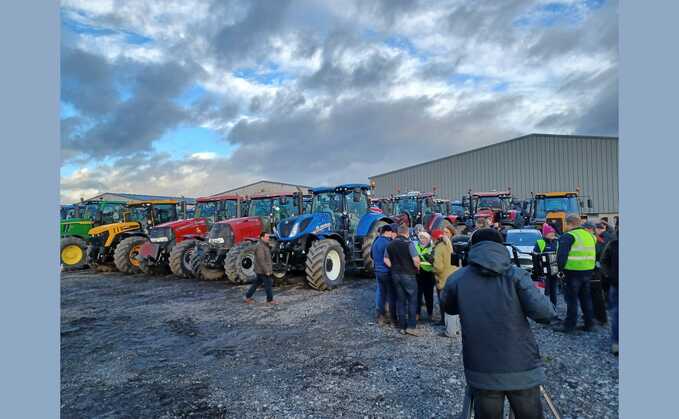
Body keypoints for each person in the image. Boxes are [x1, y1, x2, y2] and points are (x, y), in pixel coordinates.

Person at [441, 228, 556, 418]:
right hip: (522, 367)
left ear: (472, 247)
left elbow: (449, 308)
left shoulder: (457, 279)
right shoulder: (517, 275)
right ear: (502, 247)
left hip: (481, 369)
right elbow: (545, 313)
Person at [557, 215, 596, 333]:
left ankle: (569, 326)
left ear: (569, 224)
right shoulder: (590, 236)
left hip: (572, 272)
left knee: (572, 300)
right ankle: (589, 324)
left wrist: (560, 270)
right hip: (588, 271)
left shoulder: (568, 236)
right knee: (586, 299)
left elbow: (561, 256)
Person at [384, 224, 421, 336]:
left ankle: (402, 327)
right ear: (407, 233)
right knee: (412, 300)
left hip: (395, 275)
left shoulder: (390, 244)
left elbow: (385, 260)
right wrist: (417, 268)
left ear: (398, 232)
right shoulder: (409, 244)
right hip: (408, 274)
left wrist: (393, 268)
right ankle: (411, 327)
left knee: (400, 301)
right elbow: (416, 260)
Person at [371, 224, 397, 325]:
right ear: (388, 232)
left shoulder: (376, 241)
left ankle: (380, 316)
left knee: (380, 292)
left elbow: (372, 255)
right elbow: (390, 258)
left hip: (378, 271)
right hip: (387, 271)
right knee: (391, 294)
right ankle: (391, 317)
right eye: (391, 232)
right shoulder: (388, 243)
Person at [432, 227, 457, 326]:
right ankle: (453, 324)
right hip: (453, 276)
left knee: (443, 302)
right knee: (452, 302)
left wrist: (432, 268)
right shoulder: (450, 244)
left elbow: (438, 267)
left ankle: (445, 323)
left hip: (443, 279)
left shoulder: (439, 247)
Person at [244, 232, 277, 305]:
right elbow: (261, 260)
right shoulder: (260, 246)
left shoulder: (265, 245)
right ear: (262, 238)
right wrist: (267, 271)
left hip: (260, 270)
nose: (268, 238)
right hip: (263, 270)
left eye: (268, 237)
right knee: (268, 284)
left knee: (256, 283)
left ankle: (247, 297)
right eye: (267, 237)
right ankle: (270, 300)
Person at [533, 223, 559, 309]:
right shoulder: (540, 243)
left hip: (554, 272)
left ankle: (553, 310)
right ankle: (543, 311)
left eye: (553, 232)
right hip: (543, 274)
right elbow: (535, 259)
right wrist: (537, 273)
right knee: (542, 293)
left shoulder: (557, 242)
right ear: (545, 234)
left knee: (553, 292)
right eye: (550, 233)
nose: (552, 234)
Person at [600, 236, 619, 356]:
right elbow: (604, 261)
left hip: (615, 283)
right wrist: (609, 276)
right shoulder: (614, 244)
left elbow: (603, 262)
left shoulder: (613, 244)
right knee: (617, 315)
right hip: (617, 285)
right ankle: (617, 342)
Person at [415, 231, 435, 321]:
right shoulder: (416, 246)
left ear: (428, 239)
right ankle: (417, 314)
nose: (422, 240)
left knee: (429, 295)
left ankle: (430, 314)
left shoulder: (432, 247)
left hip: (429, 273)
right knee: (418, 295)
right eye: (421, 238)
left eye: (424, 238)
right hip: (418, 273)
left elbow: (434, 259)